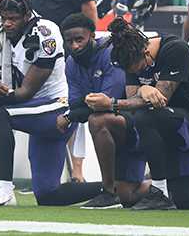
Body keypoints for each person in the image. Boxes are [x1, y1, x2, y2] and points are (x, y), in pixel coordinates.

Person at [0, 0, 102, 207]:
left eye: (13, 18)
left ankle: (5, 189)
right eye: (4, 17)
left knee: (0, 115)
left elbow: (26, 92)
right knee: (47, 195)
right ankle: (115, 187)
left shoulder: (46, 32)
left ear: (27, 15)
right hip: (33, 110)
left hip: (56, 108)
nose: (7, 23)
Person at [104, 18, 189, 211]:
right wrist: (144, 89)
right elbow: (133, 101)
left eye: (138, 68)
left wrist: (113, 103)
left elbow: (160, 99)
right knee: (184, 199)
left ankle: (159, 190)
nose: (136, 72)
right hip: (168, 125)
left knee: (145, 116)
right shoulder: (131, 57)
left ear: (145, 52)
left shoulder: (175, 49)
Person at [58, 13, 149, 209]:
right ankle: (169, 189)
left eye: (79, 39)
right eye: (69, 41)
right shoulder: (71, 64)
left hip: (137, 123)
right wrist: (76, 112)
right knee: (127, 196)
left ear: (91, 35)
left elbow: (108, 102)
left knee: (98, 120)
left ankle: (108, 192)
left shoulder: (110, 53)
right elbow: (77, 106)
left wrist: (69, 116)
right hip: (115, 129)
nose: (74, 46)